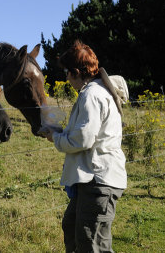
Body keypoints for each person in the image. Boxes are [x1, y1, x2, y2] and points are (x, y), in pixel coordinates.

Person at [43, 40, 127, 252]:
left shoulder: (92, 95)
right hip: (93, 178)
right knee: (72, 227)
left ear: (76, 72)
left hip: (98, 179)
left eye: (67, 73)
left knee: (93, 244)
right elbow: (87, 134)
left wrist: (56, 138)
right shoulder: (98, 92)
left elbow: (83, 140)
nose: (67, 78)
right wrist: (61, 134)